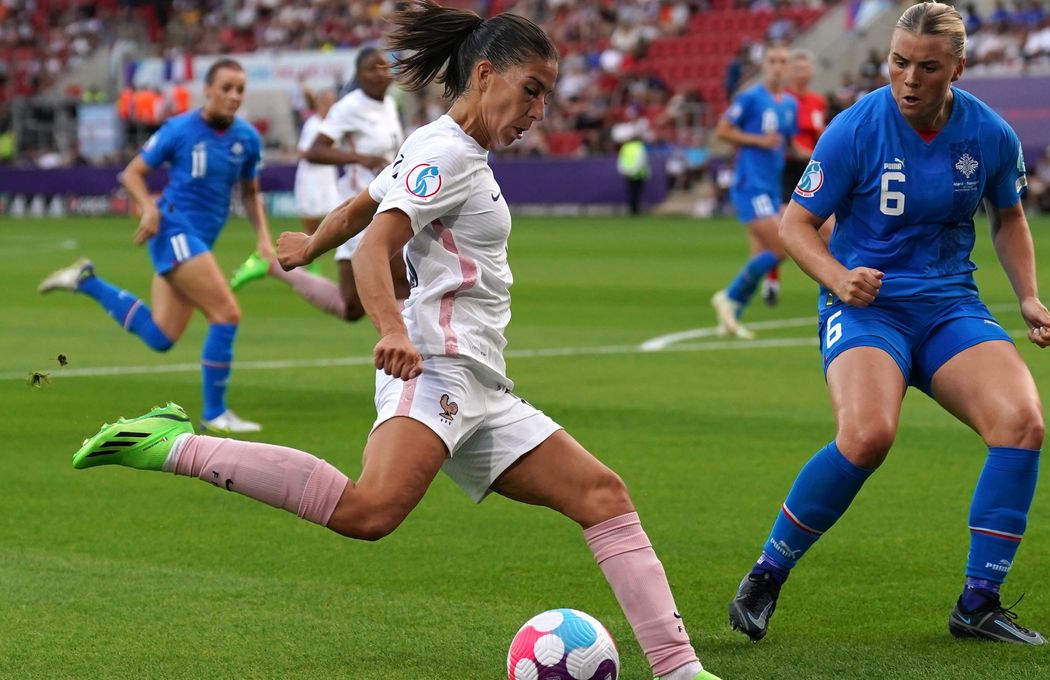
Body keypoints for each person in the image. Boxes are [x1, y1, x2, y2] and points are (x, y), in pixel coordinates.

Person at [69, 3, 720, 679]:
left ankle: (680, 670)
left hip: (480, 384)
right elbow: (380, 243)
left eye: (546, 97)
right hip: (435, 369)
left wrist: (310, 243)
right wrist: (390, 329)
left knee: (602, 494)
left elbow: (363, 205)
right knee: (369, 510)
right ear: (487, 73)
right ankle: (171, 443)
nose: (537, 111)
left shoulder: (440, 143)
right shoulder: (447, 152)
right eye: (531, 90)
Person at [728, 2, 1050, 646]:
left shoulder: (990, 134)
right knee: (868, 435)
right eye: (899, 62)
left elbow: (1009, 215)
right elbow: (796, 226)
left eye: (927, 67)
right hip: (865, 309)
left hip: (950, 306)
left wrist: (1028, 297)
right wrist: (836, 278)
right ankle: (768, 573)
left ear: (956, 69)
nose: (909, 78)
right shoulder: (855, 129)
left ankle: (978, 603)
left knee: (1022, 424)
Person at [38, 58, 272, 433]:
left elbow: (250, 191)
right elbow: (131, 173)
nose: (233, 96)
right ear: (207, 90)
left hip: (197, 239)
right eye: (226, 87)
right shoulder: (179, 129)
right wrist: (148, 207)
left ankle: (86, 281)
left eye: (240, 89)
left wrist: (263, 236)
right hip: (174, 230)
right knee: (226, 314)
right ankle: (215, 413)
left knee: (161, 337)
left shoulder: (246, 138)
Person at [230, 47, 406, 322]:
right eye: (371, 68)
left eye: (384, 67)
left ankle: (271, 266)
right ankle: (414, 355)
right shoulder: (350, 106)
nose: (379, 73)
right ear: (358, 75)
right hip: (363, 208)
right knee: (403, 283)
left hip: (383, 203)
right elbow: (314, 151)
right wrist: (362, 158)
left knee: (351, 308)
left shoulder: (389, 105)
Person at [710, 43, 799, 339]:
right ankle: (728, 296)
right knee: (782, 246)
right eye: (772, 60)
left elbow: (790, 144)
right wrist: (758, 141)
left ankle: (731, 318)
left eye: (782, 61)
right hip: (750, 185)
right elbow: (722, 130)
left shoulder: (789, 104)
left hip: (770, 189)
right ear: (764, 65)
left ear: (788, 68)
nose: (777, 66)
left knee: (764, 252)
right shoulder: (750, 98)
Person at [776, 48, 829, 307]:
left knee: (831, 232)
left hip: (813, 170)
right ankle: (771, 280)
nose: (802, 73)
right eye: (797, 68)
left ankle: (830, 284)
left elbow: (821, 136)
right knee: (785, 232)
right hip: (789, 171)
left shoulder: (817, 101)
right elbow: (788, 143)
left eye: (806, 68)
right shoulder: (783, 101)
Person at [291, 87, 339, 265]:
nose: (330, 106)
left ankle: (323, 252)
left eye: (332, 102)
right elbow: (303, 152)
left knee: (333, 214)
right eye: (327, 102)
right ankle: (309, 256)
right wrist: (323, 154)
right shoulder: (313, 124)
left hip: (328, 176)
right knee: (311, 217)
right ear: (319, 104)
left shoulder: (334, 125)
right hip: (312, 176)